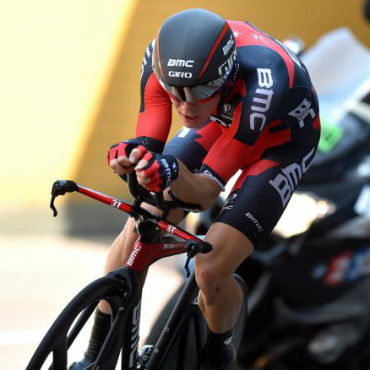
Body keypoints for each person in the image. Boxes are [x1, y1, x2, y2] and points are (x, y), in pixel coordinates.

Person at [70, 8, 321, 370]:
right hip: (219, 118)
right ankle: (95, 354)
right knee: (141, 224)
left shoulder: (263, 81)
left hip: (279, 145)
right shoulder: (164, 62)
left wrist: (170, 172)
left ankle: (220, 352)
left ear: (227, 73)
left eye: (200, 90)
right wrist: (132, 158)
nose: (185, 106)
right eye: (174, 91)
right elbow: (150, 142)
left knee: (210, 268)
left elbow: (204, 191)